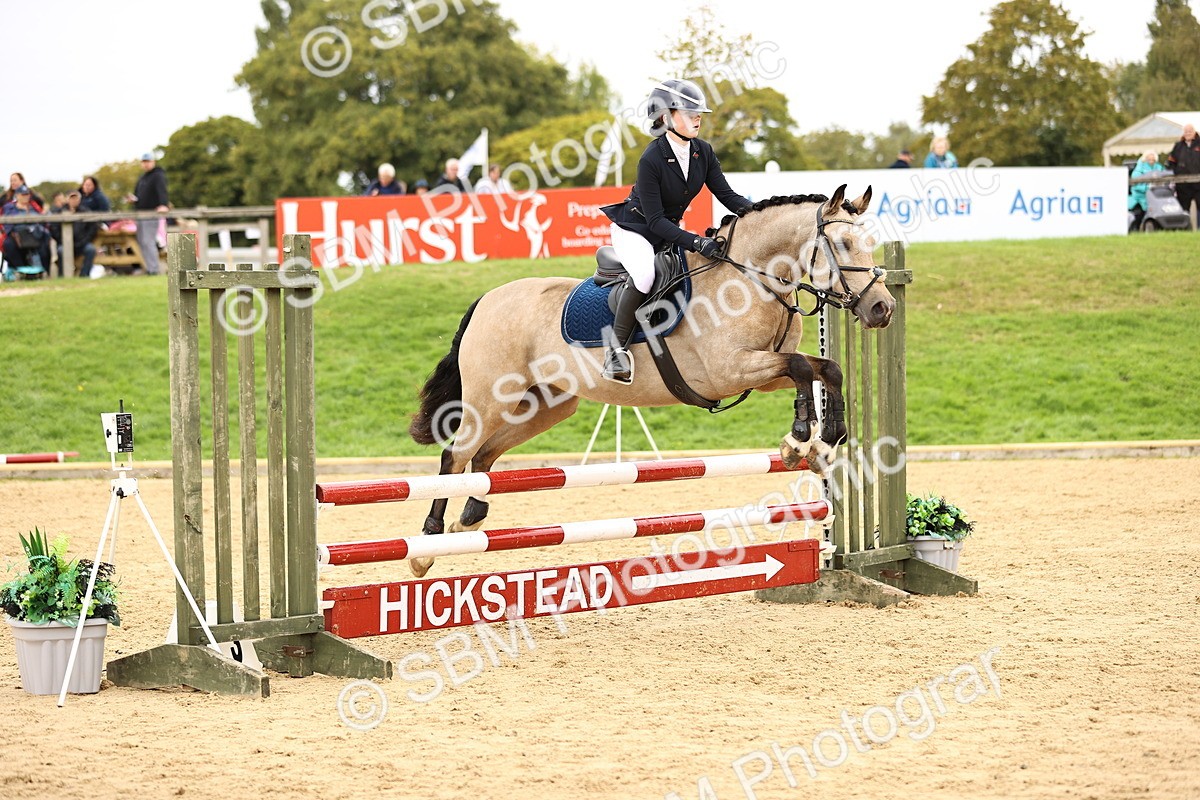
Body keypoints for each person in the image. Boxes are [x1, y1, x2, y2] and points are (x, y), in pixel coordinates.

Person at [599, 78, 753, 384]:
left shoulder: (703, 152)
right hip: (636, 231)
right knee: (644, 276)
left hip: (668, 231)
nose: (698, 117)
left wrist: (764, 212)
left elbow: (728, 197)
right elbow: (654, 221)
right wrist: (697, 242)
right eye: (690, 111)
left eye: (699, 112)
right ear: (666, 117)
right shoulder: (651, 158)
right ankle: (614, 353)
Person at [125, 152, 169, 275]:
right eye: (144, 162)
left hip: (151, 213)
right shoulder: (143, 177)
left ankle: (153, 269)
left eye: (148, 161)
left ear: (153, 162)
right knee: (142, 241)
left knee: (148, 241)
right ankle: (149, 267)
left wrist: (163, 204)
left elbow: (162, 191)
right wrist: (134, 200)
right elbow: (140, 195)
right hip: (141, 213)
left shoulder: (158, 175)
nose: (146, 164)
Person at [2, 186, 52, 277]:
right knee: (8, 244)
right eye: (23, 195)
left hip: (35, 234)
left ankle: (44, 271)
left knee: (46, 239)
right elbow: (7, 224)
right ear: (17, 196)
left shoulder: (34, 207)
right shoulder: (9, 207)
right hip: (17, 235)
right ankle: (21, 271)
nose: (25, 197)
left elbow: (42, 220)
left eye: (27, 194)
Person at [51, 191, 100, 278]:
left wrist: (85, 240)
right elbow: (54, 229)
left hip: (82, 244)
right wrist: (62, 241)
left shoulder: (85, 212)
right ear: (67, 199)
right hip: (64, 244)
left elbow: (93, 227)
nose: (74, 200)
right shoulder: (59, 212)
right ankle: (62, 276)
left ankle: (84, 275)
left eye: (76, 198)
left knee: (91, 249)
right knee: (61, 251)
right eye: (72, 198)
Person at [1167, 123, 1200, 224]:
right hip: (1182, 184)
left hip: (1198, 183)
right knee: (1184, 208)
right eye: (1186, 131)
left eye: (1190, 131)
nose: (1188, 133)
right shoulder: (1178, 146)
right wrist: (1175, 172)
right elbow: (1170, 162)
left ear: (1194, 132)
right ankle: (1186, 229)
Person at [1127, 151, 1164, 231]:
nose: (1151, 160)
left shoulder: (1159, 167)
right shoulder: (1139, 169)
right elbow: (1135, 184)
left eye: (1153, 158)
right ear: (1145, 158)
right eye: (1149, 158)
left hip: (1157, 195)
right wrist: (1147, 187)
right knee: (1139, 213)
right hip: (1140, 197)